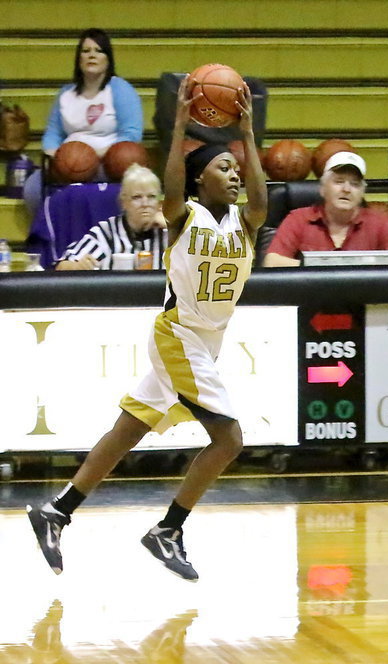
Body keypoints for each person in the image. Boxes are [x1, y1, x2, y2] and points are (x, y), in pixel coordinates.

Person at [25, 75, 267, 582]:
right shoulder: (184, 215)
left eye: (236, 168)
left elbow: (260, 197)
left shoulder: (244, 225)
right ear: (201, 180)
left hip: (206, 343)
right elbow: (173, 181)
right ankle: (169, 529)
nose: (235, 174)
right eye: (224, 168)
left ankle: (58, 510)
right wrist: (180, 124)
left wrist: (246, 132)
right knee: (228, 441)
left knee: (127, 429)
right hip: (179, 334)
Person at [24, 28, 143, 212]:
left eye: (98, 51)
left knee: (125, 169)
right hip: (70, 160)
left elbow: (132, 133)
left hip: (107, 163)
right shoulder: (66, 94)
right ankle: (49, 234)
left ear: (108, 58)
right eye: (86, 51)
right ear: (78, 59)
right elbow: (53, 134)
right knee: (33, 186)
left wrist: (99, 155)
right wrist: (58, 156)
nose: (91, 55)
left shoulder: (120, 89)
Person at [262, 151, 388, 266]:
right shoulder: (298, 219)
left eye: (354, 184)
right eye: (339, 181)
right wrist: (319, 270)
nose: (346, 189)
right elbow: (272, 262)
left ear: (362, 193)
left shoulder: (380, 223)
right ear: (323, 189)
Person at [55, 165, 167, 270]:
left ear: (159, 202)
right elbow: (61, 266)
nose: (145, 203)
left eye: (151, 197)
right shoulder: (106, 232)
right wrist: (76, 266)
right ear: (124, 203)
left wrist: (177, 229)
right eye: (137, 197)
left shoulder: (170, 232)